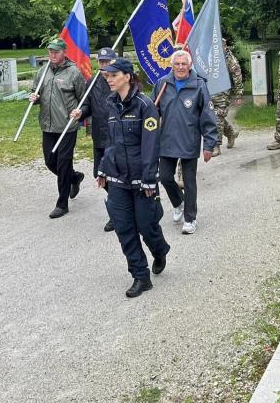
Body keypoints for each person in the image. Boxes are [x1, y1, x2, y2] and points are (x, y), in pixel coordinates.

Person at [96, 57, 170, 298]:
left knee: (147, 226)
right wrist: (103, 168)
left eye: (113, 75)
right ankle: (140, 276)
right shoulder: (111, 104)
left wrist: (149, 178)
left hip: (141, 180)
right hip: (118, 179)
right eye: (107, 76)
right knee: (124, 228)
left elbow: (150, 145)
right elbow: (111, 142)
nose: (109, 80)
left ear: (127, 77)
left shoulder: (145, 105)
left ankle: (159, 250)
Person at [152, 49, 218, 235]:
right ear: (171, 65)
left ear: (190, 66)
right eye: (177, 64)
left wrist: (209, 144)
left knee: (189, 182)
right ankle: (178, 202)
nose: (180, 67)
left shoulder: (199, 85)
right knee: (165, 177)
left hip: (189, 140)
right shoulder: (162, 84)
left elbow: (208, 116)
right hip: (166, 140)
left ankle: (190, 219)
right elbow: (152, 111)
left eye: (184, 64)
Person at [29, 38, 87, 218]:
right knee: (50, 162)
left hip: (67, 126)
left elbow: (84, 99)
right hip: (47, 125)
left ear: (64, 53)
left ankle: (62, 204)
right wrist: (34, 98)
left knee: (63, 163)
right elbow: (36, 92)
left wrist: (80, 112)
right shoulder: (42, 71)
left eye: (56, 52)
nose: (52, 55)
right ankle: (74, 177)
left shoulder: (73, 72)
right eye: (50, 52)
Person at [70, 47, 118, 232]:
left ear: (114, 61)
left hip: (118, 136)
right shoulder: (92, 82)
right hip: (99, 135)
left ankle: (117, 213)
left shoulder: (121, 79)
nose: (104, 65)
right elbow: (87, 105)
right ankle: (122, 204)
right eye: (101, 62)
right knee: (99, 173)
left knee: (115, 175)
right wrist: (80, 112)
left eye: (107, 61)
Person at [211, 38, 244, 156]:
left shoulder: (230, 59)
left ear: (225, 47)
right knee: (215, 117)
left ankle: (216, 145)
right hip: (209, 91)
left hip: (223, 92)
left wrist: (238, 94)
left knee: (218, 116)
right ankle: (230, 133)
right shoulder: (210, 57)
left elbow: (237, 76)